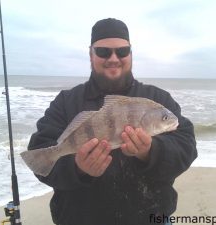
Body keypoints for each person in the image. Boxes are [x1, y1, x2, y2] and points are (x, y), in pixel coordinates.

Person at [28, 18, 197, 225]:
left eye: (122, 51)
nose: (114, 58)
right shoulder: (66, 102)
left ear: (131, 54)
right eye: (103, 52)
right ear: (91, 54)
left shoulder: (158, 100)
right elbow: (41, 160)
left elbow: (186, 147)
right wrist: (78, 168)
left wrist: (150, 151)